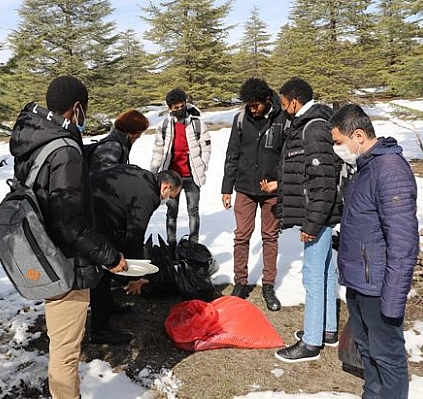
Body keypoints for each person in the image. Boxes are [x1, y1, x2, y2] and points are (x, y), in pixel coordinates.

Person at [9, 75, 127, 399]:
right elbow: (69, 224)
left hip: (43, 255)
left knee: (60, 344)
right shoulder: (64, 151)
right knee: (64, 352)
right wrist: (111, 257)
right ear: (77, 109)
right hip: (65, 265)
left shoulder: (36, 139)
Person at [329, 104, 418, 398]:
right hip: (359, 281)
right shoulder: (364, 167)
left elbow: (403, 243)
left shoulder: (390, 170)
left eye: (339, 142)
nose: (336, 148)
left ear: (358, 135)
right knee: (366, 350)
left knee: (387, 355)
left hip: (378, 285)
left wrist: (392, 298)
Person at [267, 77, 342, 363]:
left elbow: (323, 181)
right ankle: (327, 330)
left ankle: (311, 342)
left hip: (318, 216)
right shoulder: (310, 124)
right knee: (324, 270)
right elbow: (304, 173)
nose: (283, 109)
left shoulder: (314, 128)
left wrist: (311, 225)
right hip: (319, 213)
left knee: (312, 274)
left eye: (284, 104)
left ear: (294, 102)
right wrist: (280, 186)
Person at [89, 167, 182, 344]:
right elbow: (135, 235)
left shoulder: (146, 178)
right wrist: (135, 277)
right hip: (97, 216)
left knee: (112, 258)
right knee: (104, 266)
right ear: (166, 187)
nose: (170, 200)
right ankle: (99, 329)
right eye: (172, 195)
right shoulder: (148, 196)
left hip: (100, 208)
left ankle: (107, 306)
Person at [222, 77, 285, 309]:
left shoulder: (282, 118)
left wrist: (279, 183)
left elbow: (287, 156)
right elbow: (232, 154)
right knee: (241, 236)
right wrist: (226, 188)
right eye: (248, 105)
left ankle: (268, 285)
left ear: (267, 100)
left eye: (255, 105)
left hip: (271, 190)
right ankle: (240, 283)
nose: (252, 109)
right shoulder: (241, 119)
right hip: (245, 188)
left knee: (270, 237)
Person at [150, 88, 211, 248]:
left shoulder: (197, 124)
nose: (180, 110)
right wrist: (154, 173)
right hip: (171, 178)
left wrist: (202, 166)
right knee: (171, 213)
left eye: (182, 106)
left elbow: (206, 147)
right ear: (170, 108)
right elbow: (158, 151)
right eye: (176, 107)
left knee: (193, 211)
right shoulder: (164, 126)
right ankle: (171, 246)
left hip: (192, 176)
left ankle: (193, 245)